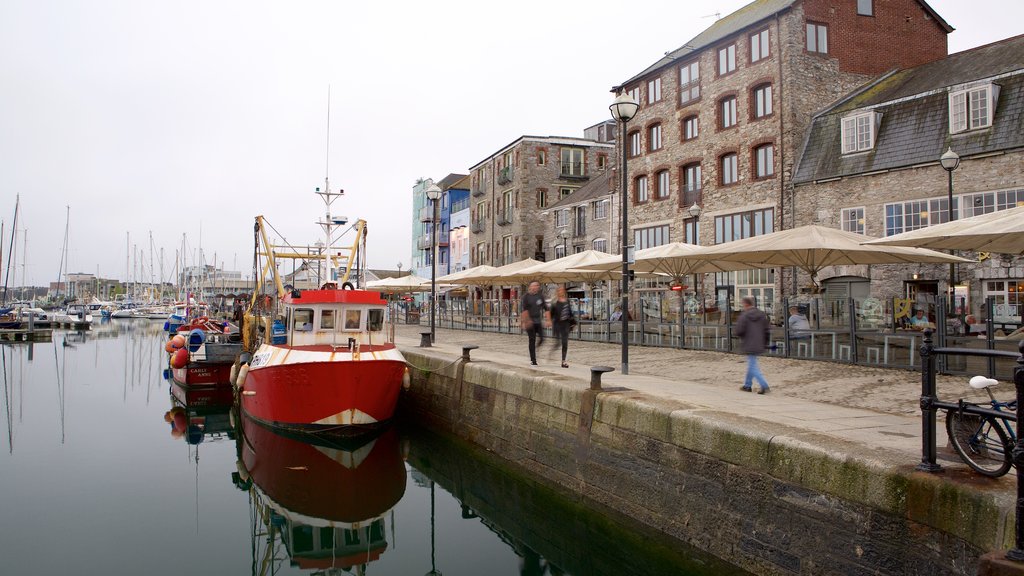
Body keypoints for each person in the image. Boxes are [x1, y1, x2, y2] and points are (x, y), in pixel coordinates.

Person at [735, 296, 771, 394]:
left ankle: (764, 385)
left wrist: (741, 336)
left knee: (752, 366)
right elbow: (767, 330)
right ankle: (747, 385)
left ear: (745, 304)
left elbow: (739, 330)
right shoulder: (762, 314)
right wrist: (765, 342)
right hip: (759, 343)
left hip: (749, 343)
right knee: (752, 363)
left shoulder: (745, 315)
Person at [520, 281, 548, 365]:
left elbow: (546, 308)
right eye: (535, 285)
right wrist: (526, 321)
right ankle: (533, 360)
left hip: (538, 321)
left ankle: (536, 348)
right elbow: (524, 310)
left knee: (543, 338)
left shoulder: (540, 296)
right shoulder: (526, 297)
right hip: (530, 321)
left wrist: (548, 319)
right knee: (532, 339)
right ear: (530, 287)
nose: (536, 287)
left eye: (538, 285)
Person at [547, 286, 574, 368]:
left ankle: (563, 361)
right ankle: (552, 352)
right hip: (557, 324)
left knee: (565, 343)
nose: (561, 292)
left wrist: (573, 322)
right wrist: (549, 321)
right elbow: (551, 314)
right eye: (560, 290)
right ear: (557, 292)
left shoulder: (567, 301)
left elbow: (570, 313)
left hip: (566, 324)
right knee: (558, 343)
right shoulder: (555, 303)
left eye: (562, 290)